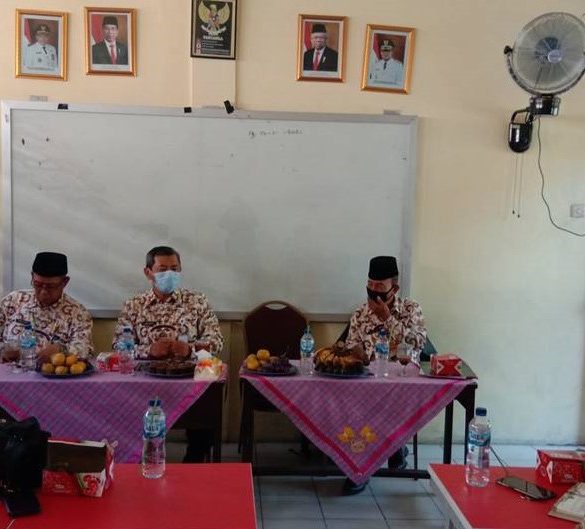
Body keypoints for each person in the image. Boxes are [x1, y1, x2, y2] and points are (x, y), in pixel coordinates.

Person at [113, 245, 224, 463]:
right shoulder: (134, 305)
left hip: (188, 377)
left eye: (175, 268)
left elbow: (217, 341)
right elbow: (118, 346)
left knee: (209, 395)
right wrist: (148, 350)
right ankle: (135, 457)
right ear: (148, 273)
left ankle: (195, 457)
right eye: (162, 269)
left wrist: (190, 349)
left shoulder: (197, 301)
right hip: (146, 379)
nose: (170, 274)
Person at [342, 255, 427, 494]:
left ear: (394, 288)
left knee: (384, 400)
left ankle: (389, 447)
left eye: (379, 285)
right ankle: (362, 466)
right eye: (370, 284)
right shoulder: (360, 313)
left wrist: (387, 319)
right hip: (367, 382)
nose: (373, 290)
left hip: (401, 382)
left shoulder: (411, 309)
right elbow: (350, 346)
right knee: (353, 399)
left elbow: (419, 341)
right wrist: (355, 353)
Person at [0, 252, 93, 359]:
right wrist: (4, 350)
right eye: (38, 284)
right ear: (32, 277)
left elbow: (86, 350)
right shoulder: (13, 301)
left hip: (51, 369)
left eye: (51, 286)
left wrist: (62, 350)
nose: (43, 292)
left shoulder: (78, 313)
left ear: (65, 282)